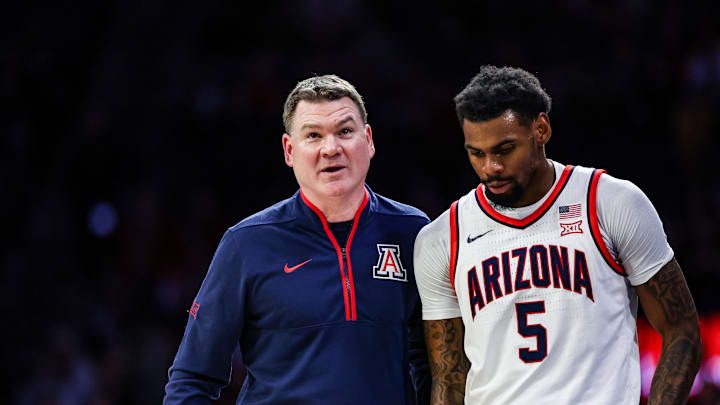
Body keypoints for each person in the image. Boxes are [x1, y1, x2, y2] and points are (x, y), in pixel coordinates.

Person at [413, 65, 702, 405]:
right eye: (477, 153)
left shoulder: (609, 203)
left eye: (504, 149)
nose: (491, 167)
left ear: (541, 129)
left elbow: (682, 328)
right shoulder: (442, 237)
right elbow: (449, 380)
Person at [164, 74, 430, 404]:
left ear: (369, 140)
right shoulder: (247, 244)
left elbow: (434, 365)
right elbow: (192, 379)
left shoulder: (413, 232)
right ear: (290, 150)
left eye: (345, 131)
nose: (331, 148)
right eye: (313, 136)